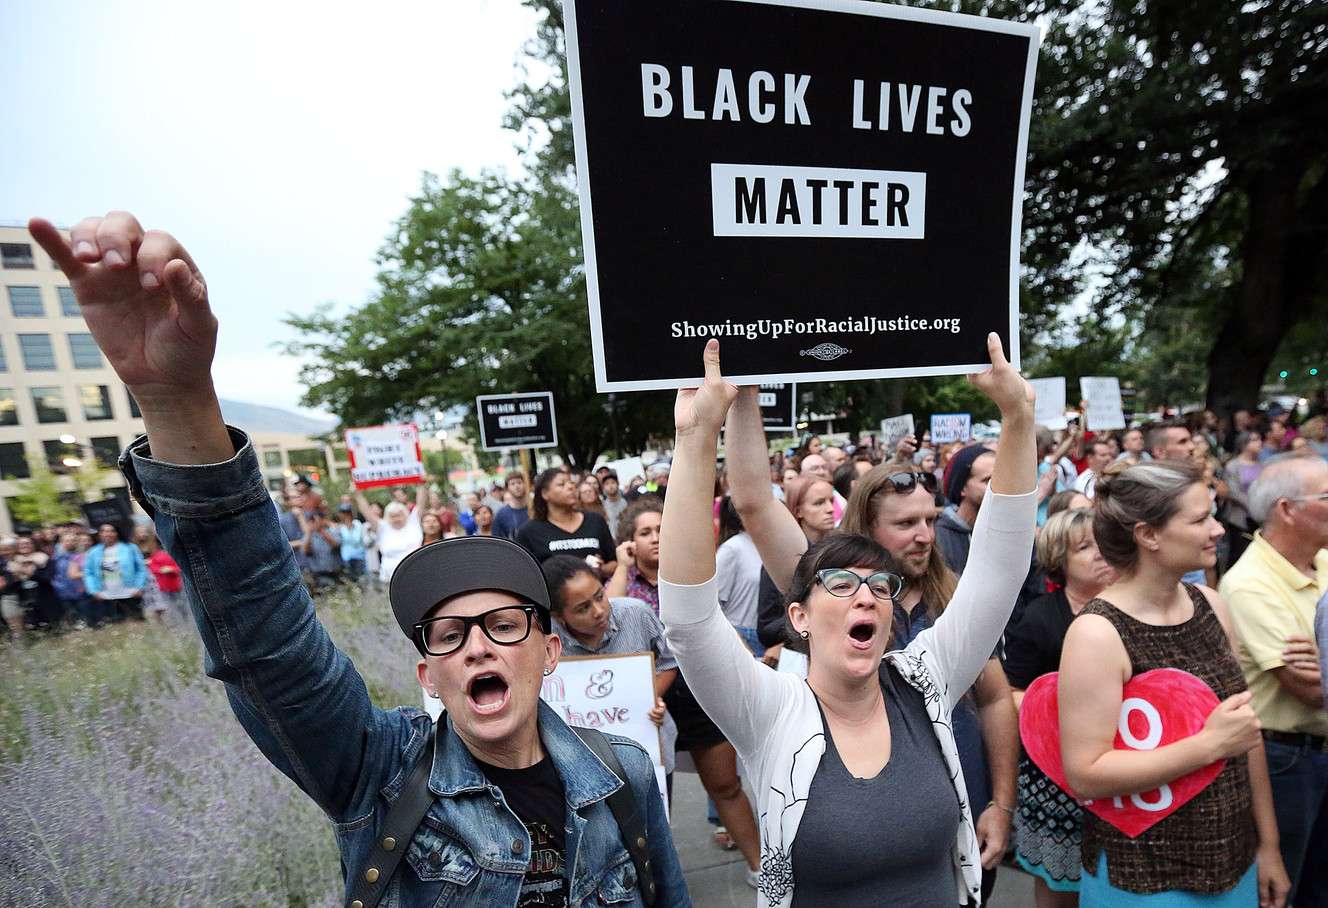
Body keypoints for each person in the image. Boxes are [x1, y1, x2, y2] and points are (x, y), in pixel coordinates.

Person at [29, 211, 686, 908]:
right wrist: (177, 398)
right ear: (426, 672)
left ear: (549, 650)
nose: (474, 646)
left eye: (502, 624)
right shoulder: (381, 773)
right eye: (447, 634)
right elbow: (271, 652)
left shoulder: (625, 776)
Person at [662, 335, 1036, 906]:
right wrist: (694, 442)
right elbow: (689, 621)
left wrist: (1017, 416)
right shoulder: (768, 708)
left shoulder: (925, 681)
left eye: (879, 587)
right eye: (840, 585)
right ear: (799, 615)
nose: (865, 596)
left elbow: (998, 571)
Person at [1057, 460, 1290, 906]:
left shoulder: (1212, 605)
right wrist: (1208, 745)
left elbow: (1245, 735)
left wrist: (1269, 845)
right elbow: (1086, 773)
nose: (1218, 529)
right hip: (1142, 875)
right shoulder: (1097, 633)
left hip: (1232, 860)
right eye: (1201, 519)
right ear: (1149, 535)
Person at [1219, 456, 1328, 905]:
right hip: (1285, 762)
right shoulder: (1250, 585)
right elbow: (1312, 691)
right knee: (1287, 888)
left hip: (1313, 755)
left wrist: (1319, 655)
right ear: (1287, 510)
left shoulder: (1320, 560)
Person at [1002, 509, 1115, 907]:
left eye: (1103, 542)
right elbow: (1011, 694)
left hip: (1122, 766)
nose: (1101, 554)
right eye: (1085, 547)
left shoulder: (1131, 608)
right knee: (1059, 877)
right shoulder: (1038, 619)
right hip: (1055, 771)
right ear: (1059, 560)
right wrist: (1066, 709)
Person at [540, 554, 678, 785]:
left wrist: (650, 699)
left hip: (649, 748)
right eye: (583, 608)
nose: (599, 611)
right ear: (559, 616)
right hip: (583, 762)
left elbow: (668, 662)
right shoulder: (546, 643)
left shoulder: (636, 613)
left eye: (599, 597)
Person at [516, 468, 617, 574]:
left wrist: (602, 569)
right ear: (545, 494)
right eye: (561, 484)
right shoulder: (529, 532)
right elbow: (524, 575)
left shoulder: (596, 521)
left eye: (571, 482)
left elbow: (615, 562)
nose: (570, 487)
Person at [356, 481, 429, 582]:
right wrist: (358, 493)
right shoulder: (382, 527)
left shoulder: (413, 522)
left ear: (405, 515)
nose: (396, 519)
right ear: (387, 518)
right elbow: (367, 513)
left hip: (418, 574)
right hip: (390, 578)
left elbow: (421, 503)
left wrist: (421, 484)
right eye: (392, 516)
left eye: (399, 515)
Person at [83, 522, 149, 623]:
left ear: (117, 533)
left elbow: (141, 568)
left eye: (110, 531)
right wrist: (93, 590)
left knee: (136, 621)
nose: (107, 534)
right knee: (114, 623)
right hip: (106, 593)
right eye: (104, 531)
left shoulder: (130, 548)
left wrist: (139, 586)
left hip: (130, 592)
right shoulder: (94, 551)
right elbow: (88, 572)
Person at [493, 472, 532, 539]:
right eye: (512, 484)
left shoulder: (535, 509)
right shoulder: (501, 514)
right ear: (507, 488)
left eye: (519, 483)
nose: (517, 487)